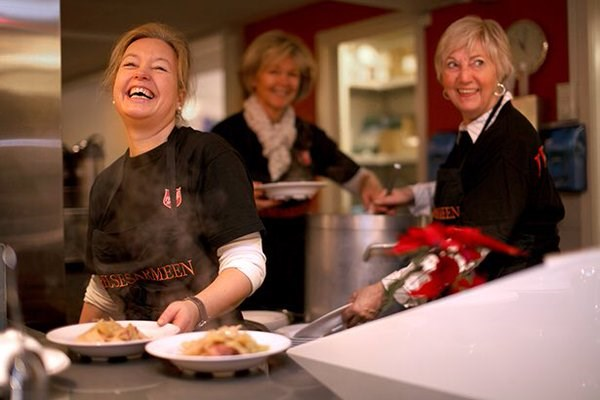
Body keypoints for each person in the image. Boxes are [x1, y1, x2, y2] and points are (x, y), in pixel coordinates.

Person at [342, 15, 565, 327]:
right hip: (490, 294)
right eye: (452, 64)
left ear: (499, 69)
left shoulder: (506, 141)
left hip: (516, 300)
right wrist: (409, 195)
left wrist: (385, 290)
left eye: (477, 62)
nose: (464, 77)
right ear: (441, 77)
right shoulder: (480, 130)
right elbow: (474, 187)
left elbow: (472, 244)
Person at [78, 22, 266, 333]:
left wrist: (197, 307)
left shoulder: (209, 155)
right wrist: (75, 350)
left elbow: (247, 263)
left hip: (206, 348)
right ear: (115, 87)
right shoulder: (105, 185)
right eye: (131, 64)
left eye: (160, 68)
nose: (141, 73)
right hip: (134, 353)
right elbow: (102, 289)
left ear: (180, 97)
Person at [212, 30, 383, 316]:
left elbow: (355, 176)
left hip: (304, 251)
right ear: (254, 76)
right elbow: (201, 198)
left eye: (293, 74)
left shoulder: (309, 136)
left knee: (298, 326)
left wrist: (371, 187)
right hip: (245, 250)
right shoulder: (227, 134)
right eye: (274, 71)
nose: (284, 82)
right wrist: (240, 198)